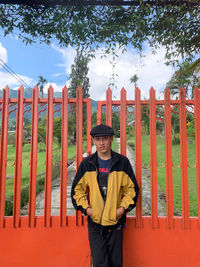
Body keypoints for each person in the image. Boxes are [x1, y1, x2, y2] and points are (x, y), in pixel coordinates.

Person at [71, 124, 139, 267]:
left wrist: (121, 210)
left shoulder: (122, 163)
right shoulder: (87, 164)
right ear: (93, 141)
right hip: (95, 225)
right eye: (98, 139)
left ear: (111, 139)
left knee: (116, 263)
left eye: (105, 139)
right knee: (100, 263)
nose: (101, 143)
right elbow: (77, 191)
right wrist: (88, 210)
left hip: (116, 223)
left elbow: (131, 190)